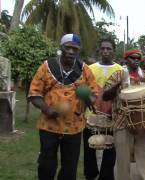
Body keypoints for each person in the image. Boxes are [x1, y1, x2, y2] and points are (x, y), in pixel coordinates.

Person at [28, 34, 98, 180]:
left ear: (79, 51)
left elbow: (93, 94)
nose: (71, 52)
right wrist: (47, 109)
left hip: (74, 126)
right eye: (68, 47)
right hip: (49, 125)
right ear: (61, 47)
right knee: (47, 164)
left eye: (75, 49)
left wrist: (88, 97)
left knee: (70, 166)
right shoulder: (47, 66)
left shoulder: (85, 69)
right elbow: (34, 93)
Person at [103, 49, 145, 180]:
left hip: (144, 121)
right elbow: (105, 96)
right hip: (122, 121)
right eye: (132, 58)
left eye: (138, 58)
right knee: (123, 159)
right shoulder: (118, 74)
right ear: (126, 60)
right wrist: (117, 84)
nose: (136, 60)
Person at [83, 38, 121, 180]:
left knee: (110, 147)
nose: (105, 51)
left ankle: (106, 176)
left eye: (109, 49)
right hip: (91, 115)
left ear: (113, 51)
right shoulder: (89, 68)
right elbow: (84, 89)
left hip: (112, 115)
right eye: (103, 48)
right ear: (99, 50)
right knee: (89, 146)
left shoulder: (120, 70)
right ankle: (90, 174)